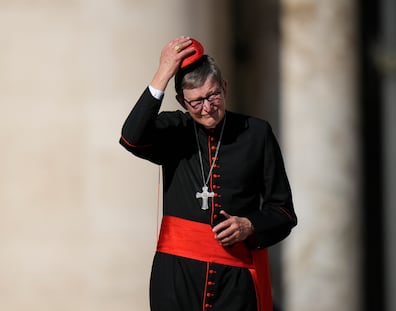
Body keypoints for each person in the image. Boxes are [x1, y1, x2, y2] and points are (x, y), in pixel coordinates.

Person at [119, 36, 297, 311]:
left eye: (213, 95)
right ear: (182, 101)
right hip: (177, 277)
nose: (207, 108)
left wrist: (249, 225)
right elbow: (131, 137)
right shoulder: (175, 130)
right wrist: (164, 72)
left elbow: (284, 212)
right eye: (196, 102)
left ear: (224, 88)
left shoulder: (257, 133)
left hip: (235, 282)